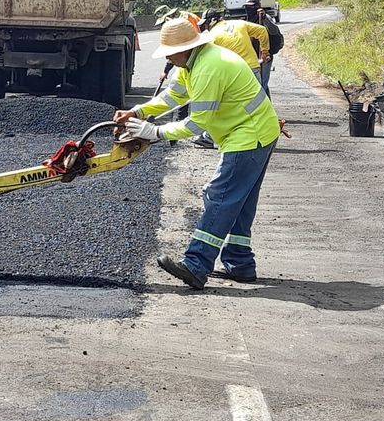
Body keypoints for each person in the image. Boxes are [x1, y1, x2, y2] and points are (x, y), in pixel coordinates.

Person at [114, 17, 280, 290]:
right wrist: (139, 112)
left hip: (251, 135)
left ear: (184, 48)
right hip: (255, 132)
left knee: (220, 195)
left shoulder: (209, 68)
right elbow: (173, 96)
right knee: (240, 199)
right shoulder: (192, 63)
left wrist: (153, 132)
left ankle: (196, 265)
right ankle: (240, 263)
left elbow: (196, 124)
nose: (166, 56)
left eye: (169, 52)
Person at [199, 8, 270, 83]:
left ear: (211, 22)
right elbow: (262, 30)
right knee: (260, 94)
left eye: (206, 24)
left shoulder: (212, 35)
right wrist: (265, 52)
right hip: (253, 66)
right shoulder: (239, 23)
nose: (205, 27)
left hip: (236, 72)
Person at [244, 0, 284, 97]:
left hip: (265, 56)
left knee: (262, 85)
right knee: (260, 84)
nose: (249, 8)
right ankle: (267, 107)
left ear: (257, 6)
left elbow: (274, 31)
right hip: (254, 56)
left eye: (251, 6)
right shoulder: (248, 20)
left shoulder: (265, 18)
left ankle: (264, 109)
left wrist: (265, 18)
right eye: (247, 6)